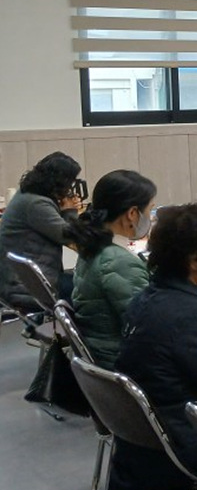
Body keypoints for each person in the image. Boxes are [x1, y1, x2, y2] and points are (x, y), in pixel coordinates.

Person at [112, 203, 197, 490]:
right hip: (185, 458)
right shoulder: (191, 316)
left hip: (146, 452)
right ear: (195, 261)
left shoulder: (148, 299)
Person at [65, 170, 156, 368]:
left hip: (101, 350)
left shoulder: (92, 245)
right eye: (150, 210)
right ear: (132, 214)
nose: (150, 218)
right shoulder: (118, 261)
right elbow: (149, 327)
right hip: (119, 359)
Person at [0, 151, 83, 310]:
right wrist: (70, 211)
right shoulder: (36, 204)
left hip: (18, 281)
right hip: (28, 289)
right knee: (92, 292)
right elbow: (70, 237)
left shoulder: (26, 194)